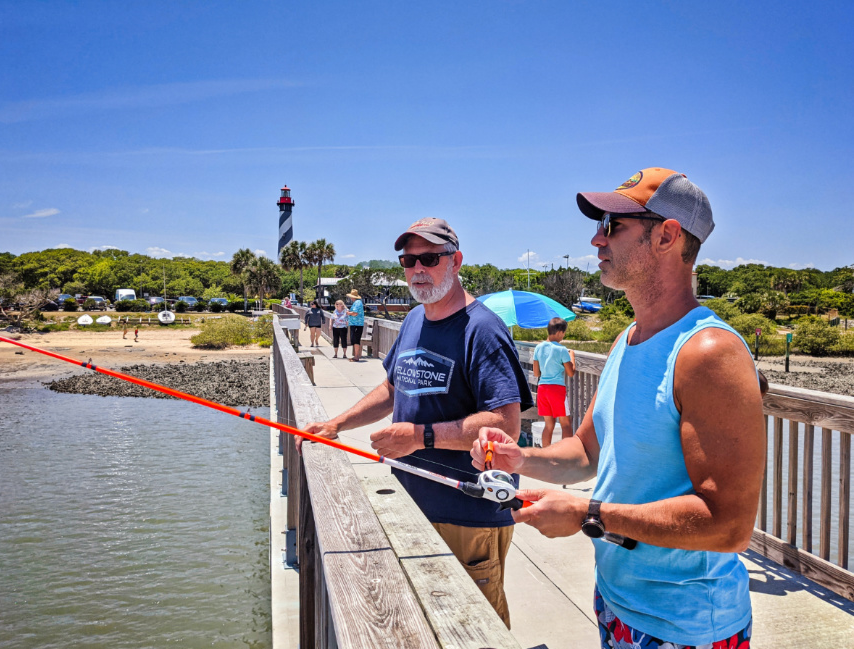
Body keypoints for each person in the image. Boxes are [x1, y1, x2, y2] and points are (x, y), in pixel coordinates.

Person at [472, 168, 766, 648]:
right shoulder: (627, 340)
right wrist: (519, 459)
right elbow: (587, 453)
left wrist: (591, 514)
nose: (595, 238)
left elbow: (729, 525)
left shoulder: (709, 352)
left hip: (684, 626)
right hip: (616, 601)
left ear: (668, 236)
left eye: (613, 225)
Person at [302, 218, 533, 627]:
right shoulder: (414, 319)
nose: (417, 269)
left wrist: (420, 436)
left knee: (472, 626)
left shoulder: (482, 329)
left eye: (429, 257)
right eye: (409, 260)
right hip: (411, 503)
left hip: (468, 514)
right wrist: (335, 424)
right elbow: (392, 389)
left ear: (456, 260)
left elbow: (505, 424)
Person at [532, 317, 575, 447]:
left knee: (549, 425)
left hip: (542, 389)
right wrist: (571, 354)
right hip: (557, 390)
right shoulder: (562, 350)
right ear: (559, 332)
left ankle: (546, 455)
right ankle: (566, 455)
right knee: (566, 424)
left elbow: (536, 373)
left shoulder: (538, 348)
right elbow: (571, 372)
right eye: (564, 333)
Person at [346, 289, 365, 362]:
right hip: (354, 324)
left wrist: (348, 313)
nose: (351, 298)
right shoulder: (357, 302)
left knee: (356, 340)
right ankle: (355, 356)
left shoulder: (357, 303)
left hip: (357, 324)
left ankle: (357, 356)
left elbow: (355, 313)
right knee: (354, 340)